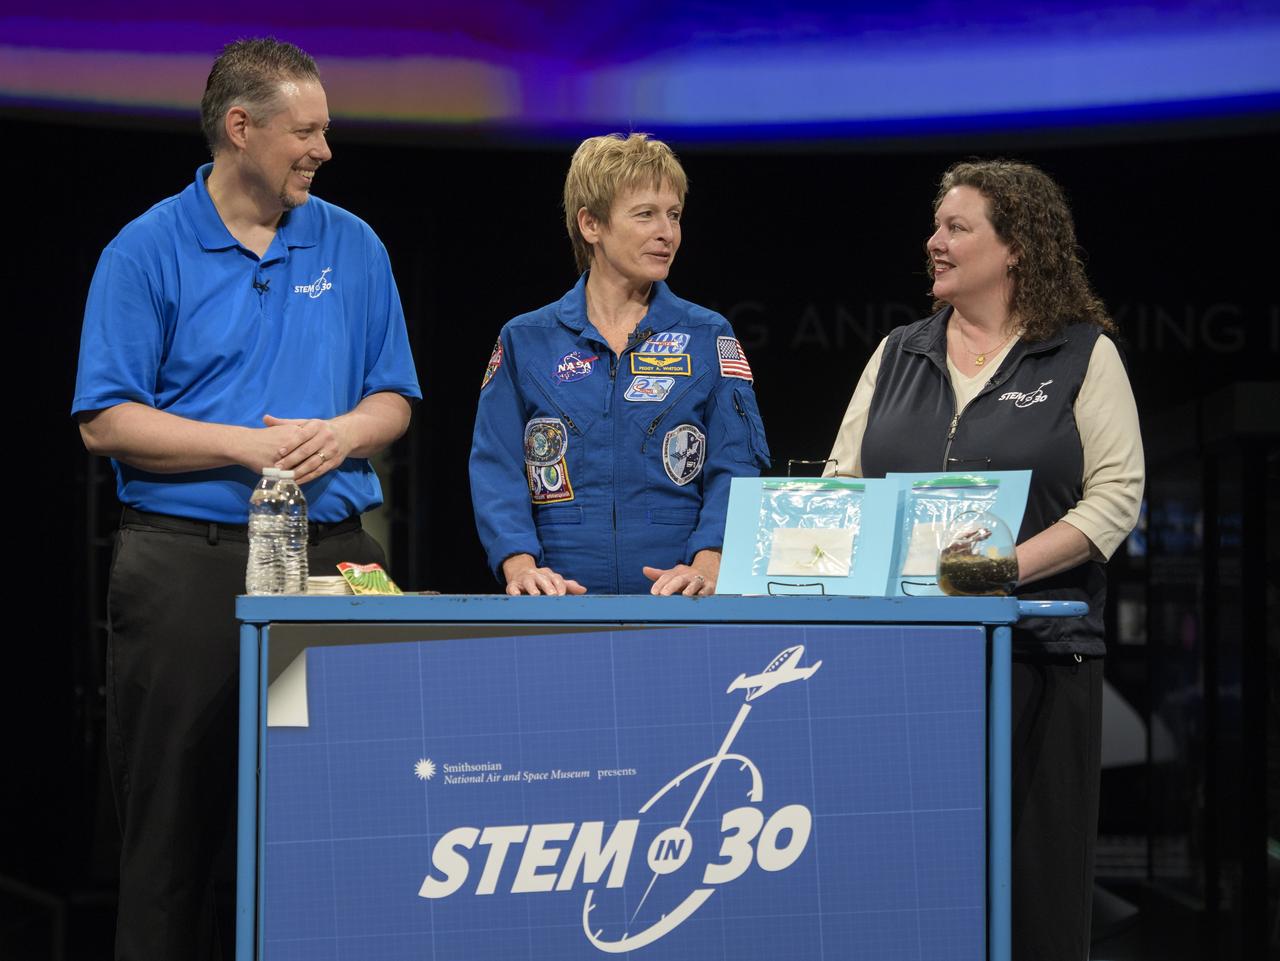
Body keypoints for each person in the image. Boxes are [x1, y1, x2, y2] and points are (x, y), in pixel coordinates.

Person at [71, 39, 420, 960]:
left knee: (352, 814)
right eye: (306, 131)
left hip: (336, 553)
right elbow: (104, 420)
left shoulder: (354, 243)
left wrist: (343, 432)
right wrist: (247, 445)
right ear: (241, 128)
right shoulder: (144, 249)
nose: (324, 150)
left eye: (327, 131)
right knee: (172, 827)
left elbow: (394, 398)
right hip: (189, 562)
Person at [826, 159, 1143, 960]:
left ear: (1014, 249)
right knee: (908, 889)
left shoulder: (1081, 355)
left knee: (1034, 900)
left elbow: (1113, 499)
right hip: (901, 665)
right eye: (936, 226)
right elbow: (841, 485)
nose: (932, 242)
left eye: (956, 227)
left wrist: (993, 573)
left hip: (1040, 661)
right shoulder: (898, 353)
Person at [470, 133, 769, 596]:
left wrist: (710, 562)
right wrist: (519, 566)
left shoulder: (709, 336)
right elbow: (497, 467)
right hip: (558, 604)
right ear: (591, 224)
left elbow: (737, 465)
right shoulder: (525, 339)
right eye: (645, 214)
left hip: (679, 607)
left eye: (673, 215)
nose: (666, 233)